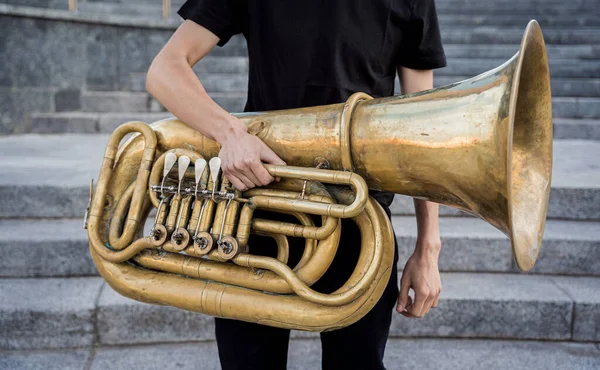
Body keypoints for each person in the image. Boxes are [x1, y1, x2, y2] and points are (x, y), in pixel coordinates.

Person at [146, 1, 446, 369]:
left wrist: (428, 248)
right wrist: (230, 133)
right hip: (255, 215)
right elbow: (165, 70)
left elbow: (419, 129)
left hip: (362, 223)